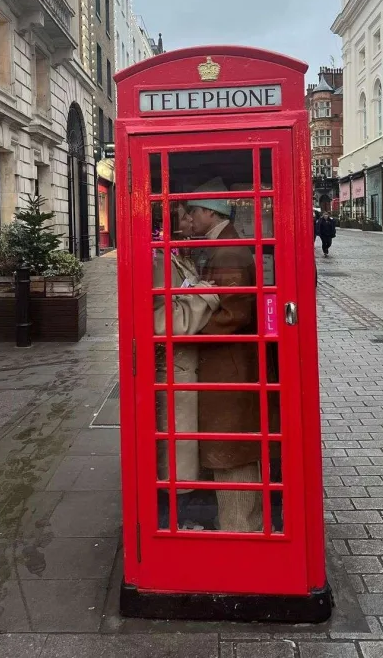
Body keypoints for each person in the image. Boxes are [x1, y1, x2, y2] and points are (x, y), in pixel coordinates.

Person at [187, 177, 262, 533]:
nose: (188, 219)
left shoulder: (228, 250)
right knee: (229, 443)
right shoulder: (221, 244)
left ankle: (240, 530)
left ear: (208, 212)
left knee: (232, 445)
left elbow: (234, 311)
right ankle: (236, 524)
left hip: (229, 361)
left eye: (192, 212)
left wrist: (187, 332)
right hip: (227, 359)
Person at [153, 204, 220, 528]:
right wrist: (209, 294)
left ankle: (187, 511)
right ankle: (177, 516)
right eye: (184, 215)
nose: (190, 219)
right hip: (174, 370)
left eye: (191, 213)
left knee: (189, 448)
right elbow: (163, 320)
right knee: (178, 453)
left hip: (190, 367)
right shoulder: (159, 261)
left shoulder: (180, 257)